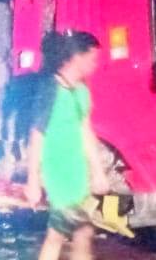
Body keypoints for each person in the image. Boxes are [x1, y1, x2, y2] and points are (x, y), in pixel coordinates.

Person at [24, 30, 109, 260]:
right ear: (77, 57)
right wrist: (33, 179)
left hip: (77, 171)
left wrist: (98, 171)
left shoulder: (81, 92)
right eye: (92, 59)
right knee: (58, 235)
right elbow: (37, 135)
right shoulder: (50, 89)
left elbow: (86, 132)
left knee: (83, 232)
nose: (95, 65)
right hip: (59, 172)